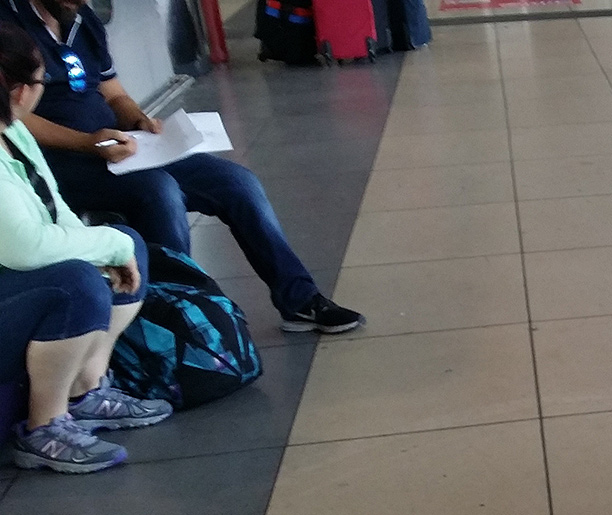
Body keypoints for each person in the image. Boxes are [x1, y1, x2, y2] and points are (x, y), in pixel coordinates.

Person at [3, 0, 364, 335]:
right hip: (58, 163)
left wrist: (139, 121)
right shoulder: (10, 25)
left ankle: (299, 300)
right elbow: (11, 115)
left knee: (236, 182)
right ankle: (181, 319)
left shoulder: (83, 18)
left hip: (119, 148)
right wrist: (87, 143)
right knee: (159, 191)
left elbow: (112, 93)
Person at [0, 23, 170, 473]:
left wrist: (108, 248)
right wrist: (106, 246)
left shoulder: (12, 131)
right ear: (20, 91)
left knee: (127, 246)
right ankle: (44, 426)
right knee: (77, 283)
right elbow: (25, 248)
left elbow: (54, 210)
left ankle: (87, 391)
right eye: (41, 83)